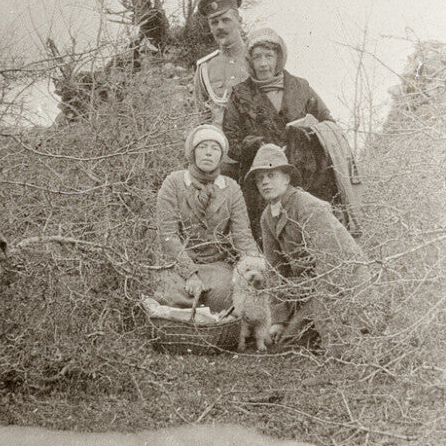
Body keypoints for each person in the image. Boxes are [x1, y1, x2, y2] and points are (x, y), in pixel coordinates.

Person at [245, 143, 370, 353]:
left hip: (346, 284)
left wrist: (323, 312)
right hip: (315, 289)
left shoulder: (307, 205)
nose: (265, 182)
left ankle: (338, 352)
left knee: (338, 343)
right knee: (287, 345)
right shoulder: (267, 217)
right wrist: (279, 320)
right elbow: (276, 271)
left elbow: (333, 262)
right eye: (260, 178)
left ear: (286, 178)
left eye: (271, 175)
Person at [222, 27, 336, 239]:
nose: (263, 63)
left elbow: (328, 123)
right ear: (249, 61)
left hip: (306, 177)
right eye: (257, 57)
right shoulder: (239, 95)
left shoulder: (300, 87)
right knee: (269, 236)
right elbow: (231, 141)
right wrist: (259, 146)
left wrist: (309, 128)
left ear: (279, 57)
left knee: (310, 232)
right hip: (261, 181)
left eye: (269, 56)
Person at [153, 123, 262, 313]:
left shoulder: (231, 188)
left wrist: (256, 266)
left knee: (227, 296)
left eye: (214, 148)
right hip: (178, 263)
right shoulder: (174, 182)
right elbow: (168, 235)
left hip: (217, 266)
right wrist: (190, 274)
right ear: (193, 153)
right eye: (202, 147)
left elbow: (242, 235)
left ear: (221, 156)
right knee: (166, 295)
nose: (208, 153)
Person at [192, 0, 250, 130]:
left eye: (226, 20)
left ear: (239, 20)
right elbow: (202, 118)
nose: (220, 27)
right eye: (214, 22)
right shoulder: (205, 68)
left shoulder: (258, 60)